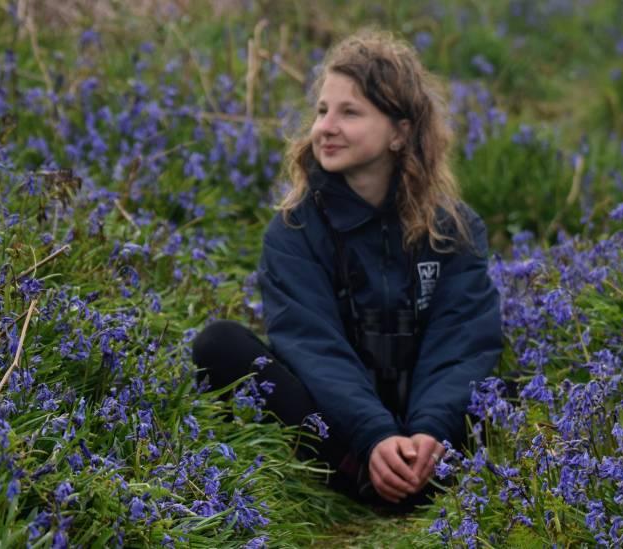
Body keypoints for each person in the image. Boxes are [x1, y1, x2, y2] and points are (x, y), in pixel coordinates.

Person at [191, 29, 502, 507]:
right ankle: (361, 475)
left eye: (349, 112)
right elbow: (313, 347)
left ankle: (424, 471)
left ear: (399, 132)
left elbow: (460, 341)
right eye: (321, 111)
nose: (325, 127)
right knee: (221, 346)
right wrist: (372, 436)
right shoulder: (294, 229)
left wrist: (429, 430)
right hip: (341, 433)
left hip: (428, 432)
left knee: (515, 387)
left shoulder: (453, 229)